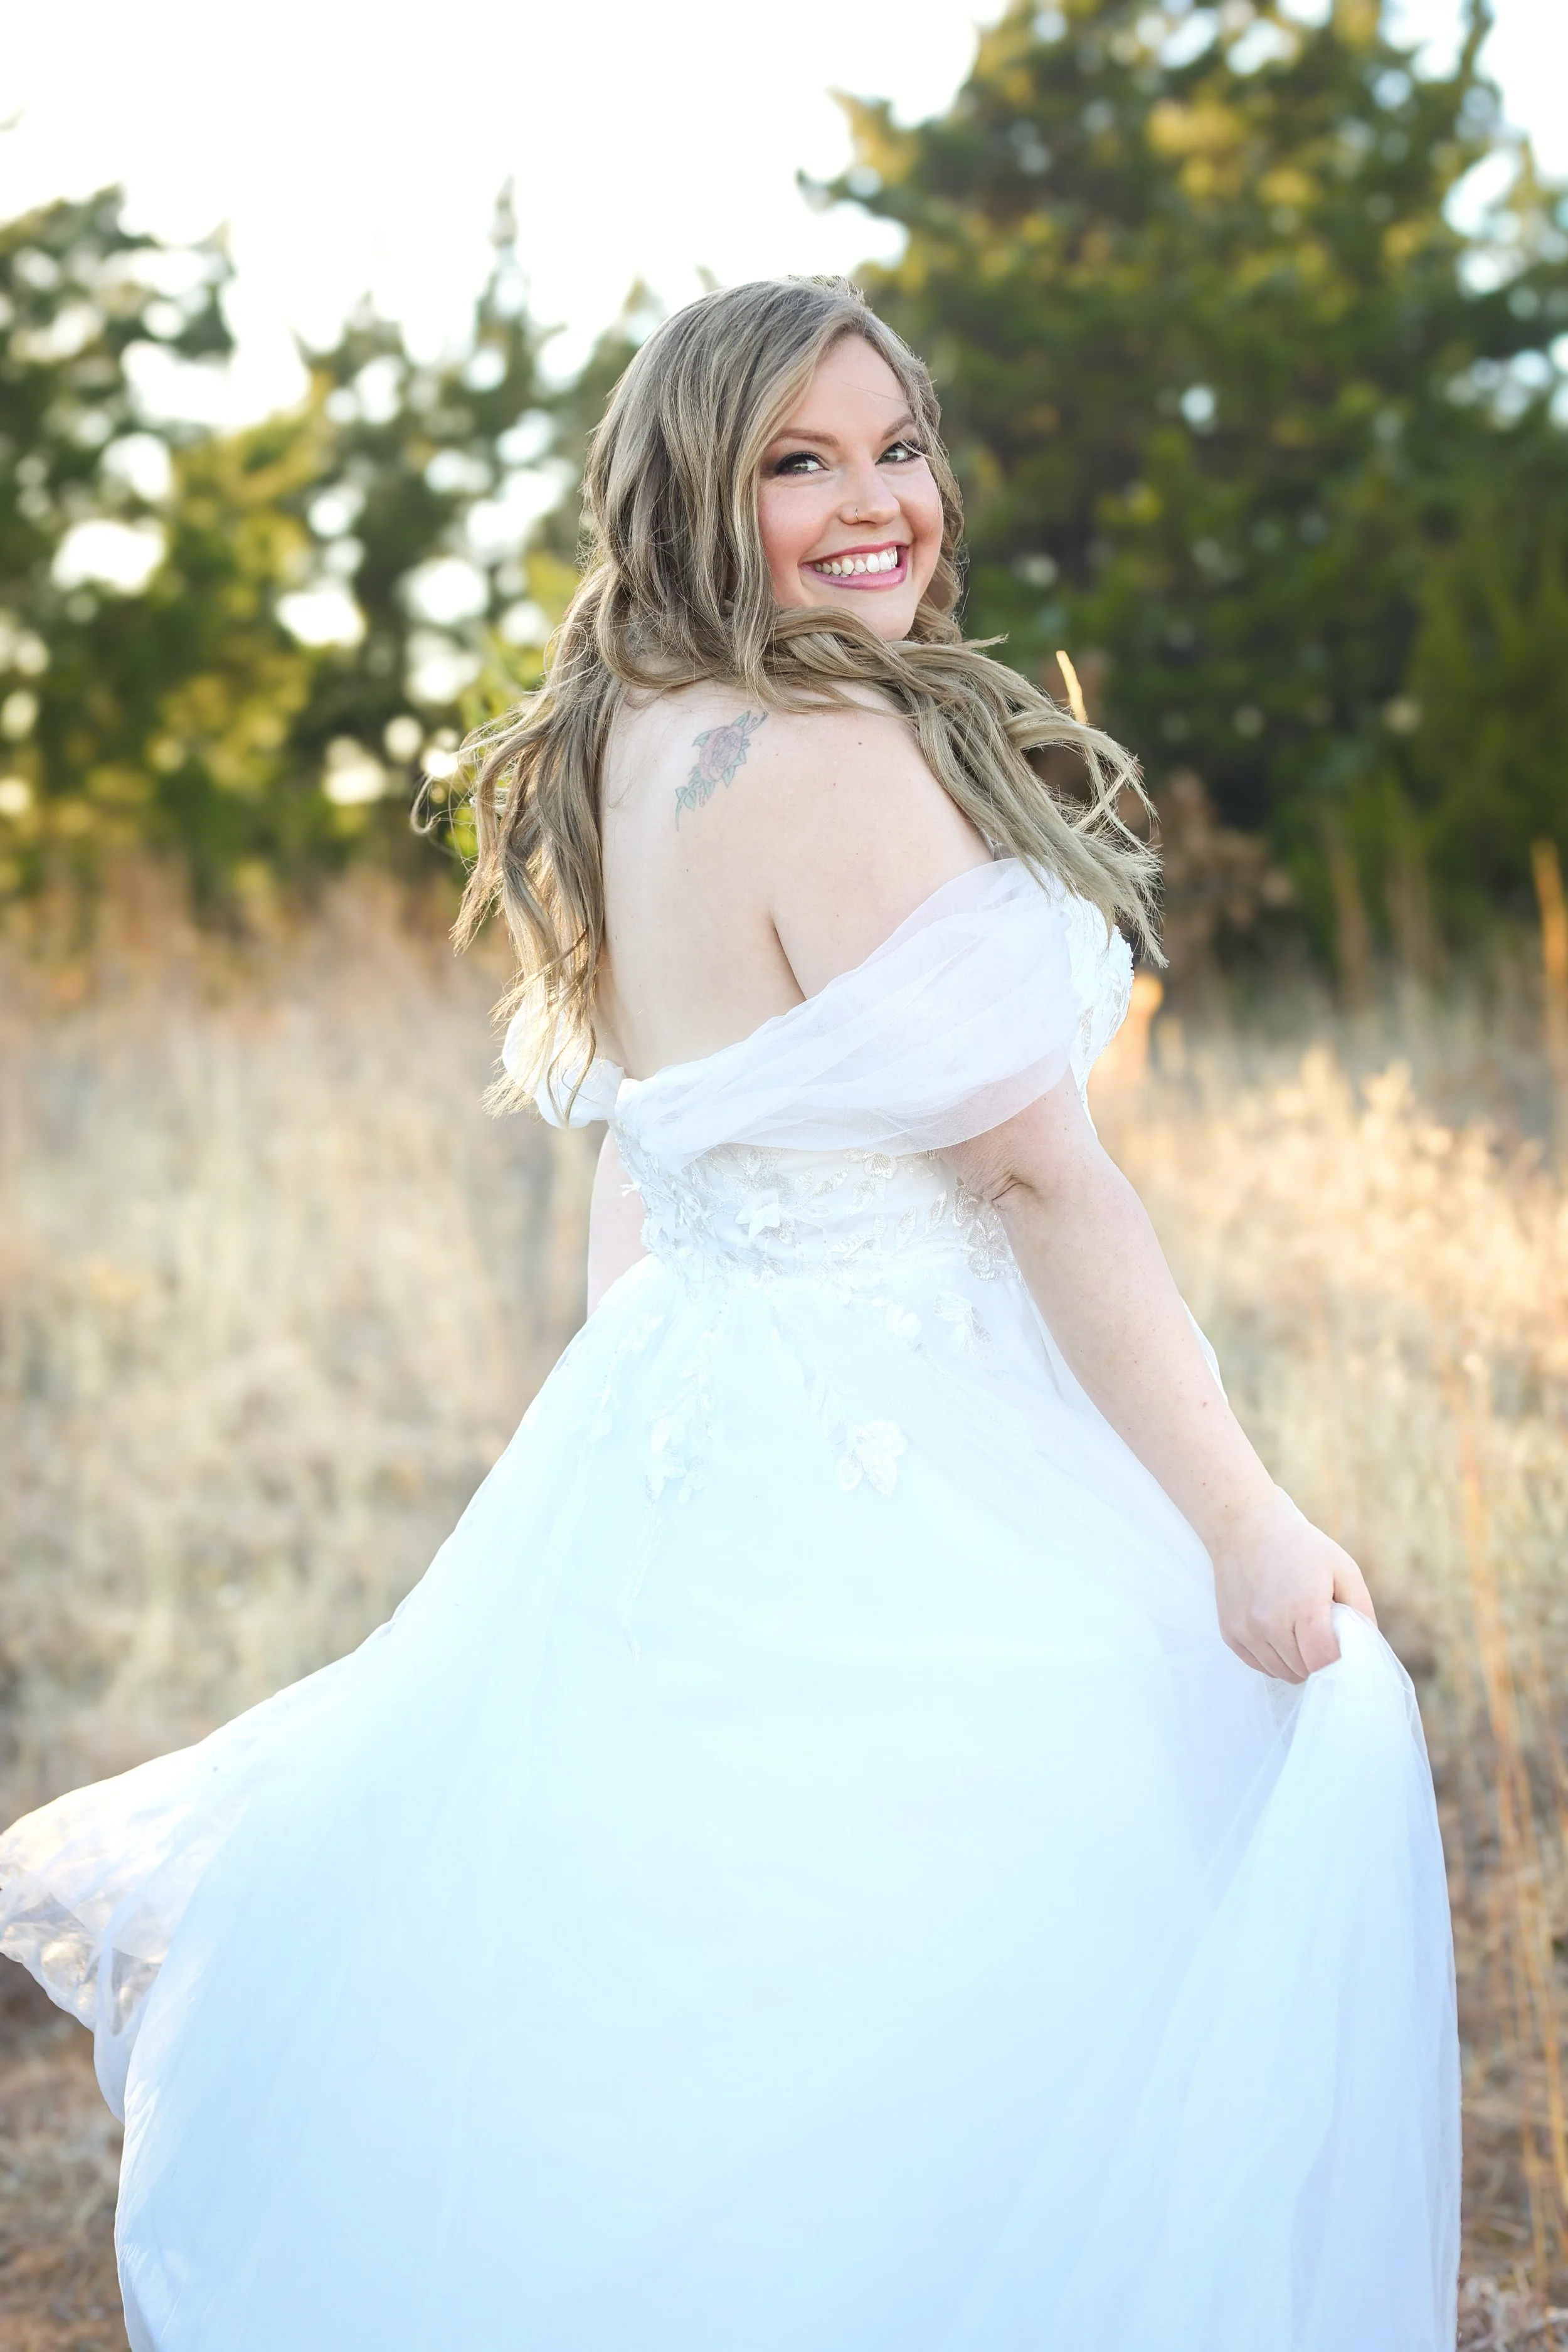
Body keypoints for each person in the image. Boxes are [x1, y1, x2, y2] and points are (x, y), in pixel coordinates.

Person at [0, 277, 1458, 2350]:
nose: (876, 504)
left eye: (898, 447)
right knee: (1029, 1920)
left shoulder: (635, 735)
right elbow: (1041, 1174)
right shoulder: (837, 757)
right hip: (904, 1431)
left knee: (721, 1971)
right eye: (800, 462)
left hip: (697, 1403)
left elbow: (653, 1136)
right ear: (693, 489)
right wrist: (1241, 1516)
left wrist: (637, 1419)